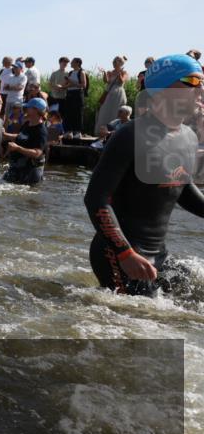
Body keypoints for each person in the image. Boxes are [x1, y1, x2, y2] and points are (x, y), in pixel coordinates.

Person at [84, 54, 204, 296]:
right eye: (192, 81)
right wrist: (125, 253)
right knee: (139, 322)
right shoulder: (129, 136)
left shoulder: (188, 137)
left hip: (159, 253)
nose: (200, 88)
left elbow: (182, 188)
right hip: (119, 254)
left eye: (203, 81)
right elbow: (96, 199)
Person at [2, 97, 49, 185]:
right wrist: (5, 135)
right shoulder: (27, 124)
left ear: (35, 110)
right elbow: (21, 136)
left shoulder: (41, 131)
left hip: (30, 173)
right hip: (19, 167)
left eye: (28, 107)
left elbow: (37, 153)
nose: (25, 109)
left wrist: (17, 148)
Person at [95, 56, 128, 138]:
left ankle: (115, 133)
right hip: (109, 94)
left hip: (119, 94)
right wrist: (104, 73)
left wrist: (119, 73)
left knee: (116, 112)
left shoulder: (124, 72)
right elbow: (106, 81)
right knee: (105, 111)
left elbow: (121, 81)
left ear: (121, 63)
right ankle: (102, 133)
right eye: (116, 61)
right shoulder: (110, 72)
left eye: (118, 61)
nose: (116, 62)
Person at [63, 57, 87, 139]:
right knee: (69, 113)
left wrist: (70, 81)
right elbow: (68, 85)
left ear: (77, 63)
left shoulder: (81, 72)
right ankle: (69, 131)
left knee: (78, 113)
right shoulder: (71, 72)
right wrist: (62, 87)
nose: (71, 63)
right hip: (69, 94)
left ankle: (78, 132)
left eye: (72, 62)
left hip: (77, 94)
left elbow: (83, 85)